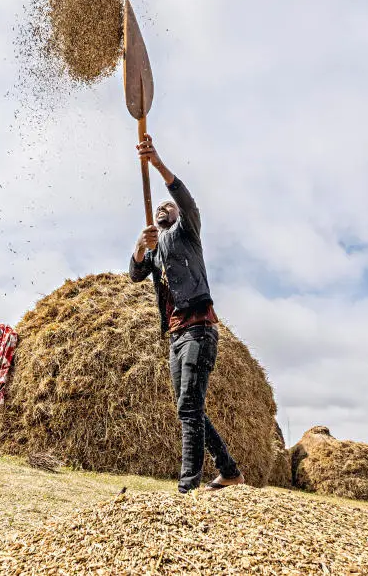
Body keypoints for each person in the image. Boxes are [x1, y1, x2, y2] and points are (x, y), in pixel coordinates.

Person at [129, 135, 244, 494]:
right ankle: (229, 472)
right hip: (176, 336)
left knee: (189, 406)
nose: (163, 207)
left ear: (179, 216)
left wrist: (157, 163)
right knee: (187, 408)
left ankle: (186, 488)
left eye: (169, 206)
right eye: (159, 206)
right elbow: (135, 274)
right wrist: (139, 247)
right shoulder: (156, 248)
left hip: (199, 328)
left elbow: (184, 197)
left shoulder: (188, 232)